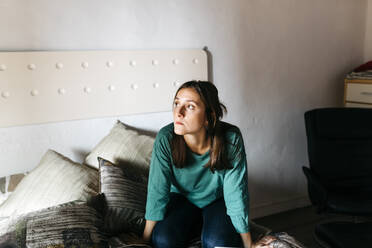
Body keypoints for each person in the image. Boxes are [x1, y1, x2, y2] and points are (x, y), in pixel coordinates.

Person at [142, 80, 268, 248]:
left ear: (209, 116)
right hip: (181, 198)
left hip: (216, 200)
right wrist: (144, 240)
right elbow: (157, 192)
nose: (178, 113)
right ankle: (195, 224)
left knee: (217, 242)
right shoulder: (166, 138)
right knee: (163, 240)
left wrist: (249, 243)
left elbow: (236, 193)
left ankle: (206, 225)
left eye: (190, 106)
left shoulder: (231, 139)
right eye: (177, 103)